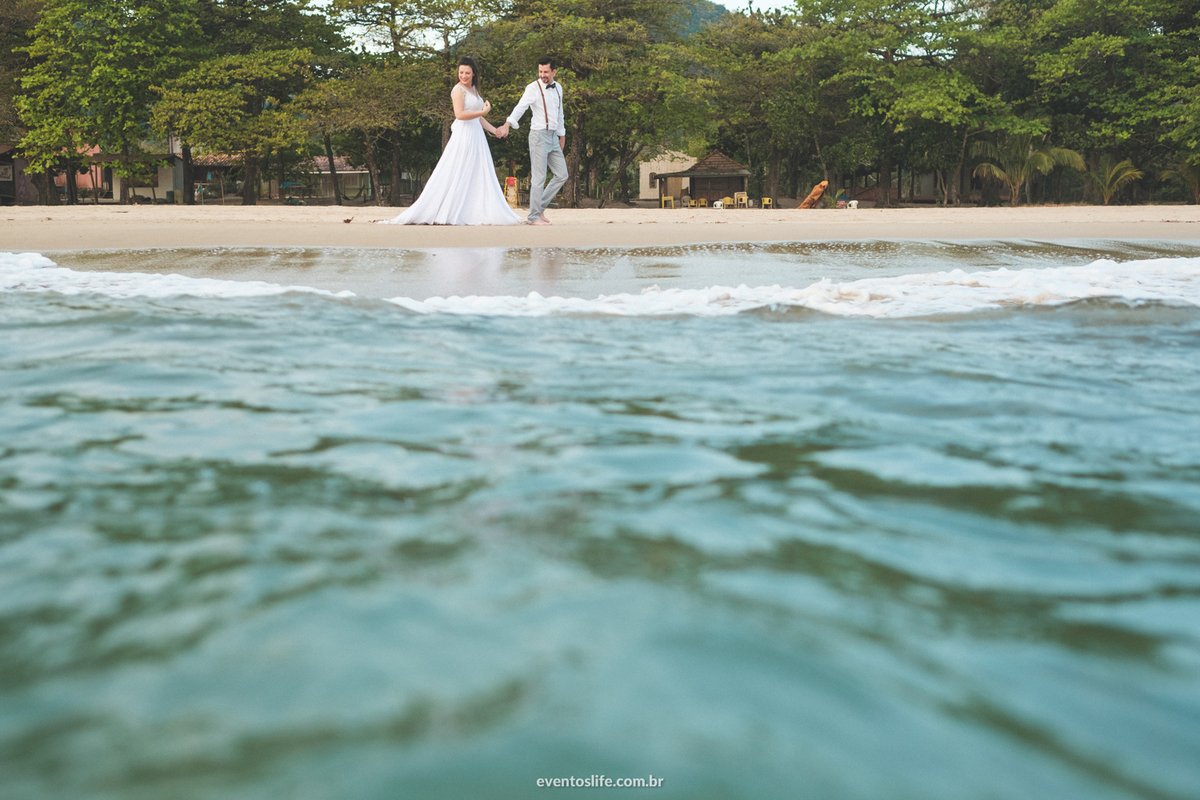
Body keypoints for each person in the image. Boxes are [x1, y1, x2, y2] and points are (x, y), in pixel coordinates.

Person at [380, 57, 521, 226]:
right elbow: (460, 115)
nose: (464, 76)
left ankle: (472, 210)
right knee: (458, 169)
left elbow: (477, 118)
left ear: (474, 74)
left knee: (477, 172)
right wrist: (483, 112)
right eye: (461, 72)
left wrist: (494, 130)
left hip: (477, 136)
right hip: (464, 135)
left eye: (467, 73)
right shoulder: (457, 90)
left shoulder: (474, 90)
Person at [496, 58, 567, 226]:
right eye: (540, 71)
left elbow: (560, 114)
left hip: (553, 137)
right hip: (538, 136)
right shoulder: (532, 88)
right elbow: (520, 107)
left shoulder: (558, 88)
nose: (542, 75)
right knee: (539, 177)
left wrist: (562, 136)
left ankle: (538, 208)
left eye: (546, 72)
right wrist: (507, 124)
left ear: (554, 72)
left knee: (562, 174)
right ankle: (534, 216)